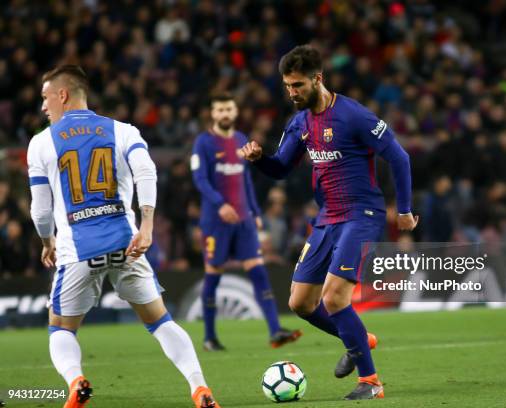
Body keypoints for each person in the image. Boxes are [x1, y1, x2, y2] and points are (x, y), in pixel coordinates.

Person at [27, 65, 221, 408]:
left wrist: (47, 242)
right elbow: (147, 170)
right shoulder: (122, 131)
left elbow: (41, 211)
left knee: (60, 328)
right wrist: (146, 225)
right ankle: (199, 387)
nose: (43, 107)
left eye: (45, 97)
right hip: (126, 244)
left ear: (63, 95)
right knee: (161, 321)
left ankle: (76, 381)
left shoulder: (42, 143)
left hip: (77, 251)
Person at [239, 45, 418, 400]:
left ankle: (371, 381)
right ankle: (359, 339)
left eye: (297, 85)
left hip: (362, 214)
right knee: (300, 303)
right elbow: (280, 168)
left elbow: (399, 157)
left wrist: (405, 210)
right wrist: (259, 159)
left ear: (317, 79)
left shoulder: (354, 116)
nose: (291, 92)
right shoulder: (300, 122)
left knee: (335, 298)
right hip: (327, 219)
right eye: (287, 86)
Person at [191, 92, 301, 351]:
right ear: (212, 113)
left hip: (243, 221)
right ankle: (209, 337)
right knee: (213, 276)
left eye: (229, 109)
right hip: (216, 222)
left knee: (259, 271)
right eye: (220, 110)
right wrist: (221, 205)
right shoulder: (203, 143)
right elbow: (201, 181)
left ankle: (275, 331)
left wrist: (254, 211)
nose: (225, 114)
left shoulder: (241, 140)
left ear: (235, 111)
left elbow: (245, 180)